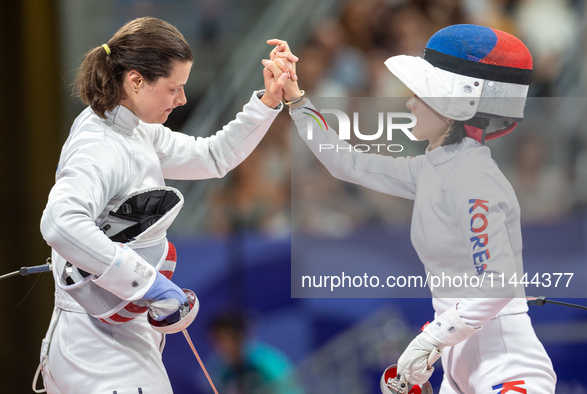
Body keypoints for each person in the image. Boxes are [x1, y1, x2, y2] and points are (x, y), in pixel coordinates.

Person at [264, 24, 556, 394]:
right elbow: (344, 163)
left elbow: (498, 282)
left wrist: (430, 339)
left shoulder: (473, 177)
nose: (409, 102)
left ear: (454, 107)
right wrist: (296, 99)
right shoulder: (433, 169)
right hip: (459, 366)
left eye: (419, 94)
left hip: (507, 367)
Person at [35, 16, 298, 394]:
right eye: (174, 88)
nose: (183, 99)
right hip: (98, 349)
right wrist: (147, 282)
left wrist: (270, 99)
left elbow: (213, 156)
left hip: (110, 335)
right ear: (136, 80)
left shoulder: (133, 130)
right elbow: (60, 224)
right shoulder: (99, 145)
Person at [207, 312, 304, 394]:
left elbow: (290, 389)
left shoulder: (264, 362)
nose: (218, 346)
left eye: (222, 339)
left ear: (239, 336)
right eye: (215, 341)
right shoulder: (224, 373)